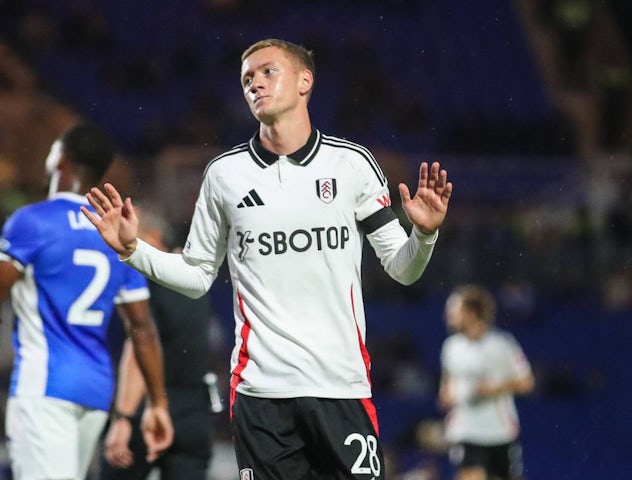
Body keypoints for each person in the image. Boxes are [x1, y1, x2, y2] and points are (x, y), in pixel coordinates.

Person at [82, 38, 453, 479]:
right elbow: (199, 275)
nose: (255, 83)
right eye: (246, 79)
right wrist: (132, 250)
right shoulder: (224, 175)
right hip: (261, 394)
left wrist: (424, 235)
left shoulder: (351, 164)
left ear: (304, 81)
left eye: (267, 72)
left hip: (340, 385)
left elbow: (402, 268)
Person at [0, 123, 173, 480]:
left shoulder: (32, 221)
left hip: (44, 387)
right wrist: (158, 402)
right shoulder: (117, 234)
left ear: (60, 157)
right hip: (95, 390)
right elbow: (141, 328)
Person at [99, 206, 220, 480]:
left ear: (153, 238)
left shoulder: (146, 282)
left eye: (132, 235)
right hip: (195, 412)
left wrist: (123, 418)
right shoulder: (196, 281)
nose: (121, 243)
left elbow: (139, 346)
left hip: (151, 408)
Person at [438, 285, 535, 480]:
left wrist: (495, 388)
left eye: (454, 311)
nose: (448, 316)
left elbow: (527, 382)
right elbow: (446, 387)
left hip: (500, 432)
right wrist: (446, 397)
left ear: (471, 313)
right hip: (466, 432)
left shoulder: (502, 345)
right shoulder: (451, 347)